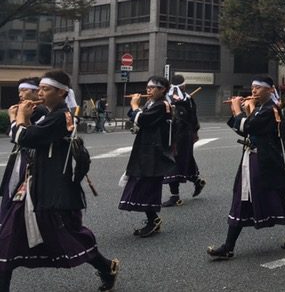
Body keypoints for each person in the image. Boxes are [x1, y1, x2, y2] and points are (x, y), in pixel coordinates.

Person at [0, 70, 118, 292]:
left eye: (45, 89)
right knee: (7, 237)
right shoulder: (49, 113)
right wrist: (22, 119)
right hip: (31, 186)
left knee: (65, 235)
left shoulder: (59, 116)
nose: (39, 93)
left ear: (62, 93)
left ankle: (105, 266)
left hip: (48, 188)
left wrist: (19, 119)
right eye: (38, 89)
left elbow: (26, 138)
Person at [207, 75, 285, 260]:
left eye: (258, 88)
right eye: (252, 88)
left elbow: (250, 126)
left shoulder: (271, 109)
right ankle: (229, 246)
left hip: (264, 160)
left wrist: (238, 112)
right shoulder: (259, 108)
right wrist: (239, 112)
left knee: (273, 196)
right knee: (242, 197)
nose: (253, 91)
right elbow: (243, 129)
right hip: (251, 158)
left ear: (271, 90)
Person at [118, 76, 175, 237]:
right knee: (141, 183)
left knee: (147, 186)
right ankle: (152, 219)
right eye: (147, 87)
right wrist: (136, 109)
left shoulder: (162, 105)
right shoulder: (152, 103)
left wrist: (135, 105)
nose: (148, 90)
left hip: (154, 152)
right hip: (146, 149)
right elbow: (137, 119)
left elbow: (143, 119)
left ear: (162, 89)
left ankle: (153, 220)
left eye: (152, 87)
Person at [0, 78, 45, 225]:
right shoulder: (27, 107)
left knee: (19, 191)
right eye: (19, 90)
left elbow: (18, 136)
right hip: (23, 155)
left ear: (36, 92)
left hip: (32, 158)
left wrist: (14, 117)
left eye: (24, 90)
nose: (20, 94)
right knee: (14, 189)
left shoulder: (39, 110)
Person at [162, 75, 206, 207]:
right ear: (183, 86)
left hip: (177, 135)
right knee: (185, 158)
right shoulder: (186, 98)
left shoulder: (175, 99)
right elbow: (194, 118)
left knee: (173, 162)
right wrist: (194, 132)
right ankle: (197, 181)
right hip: (183, 134)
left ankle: (175, 196)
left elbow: (187, 118)